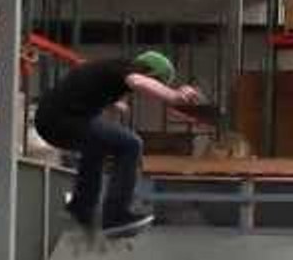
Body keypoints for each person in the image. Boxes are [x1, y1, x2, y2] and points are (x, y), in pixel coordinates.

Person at [34, 50, 201, 235]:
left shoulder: (110, 70)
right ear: (151, 73)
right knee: (130, 144)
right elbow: (138, 81)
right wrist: (173, 95)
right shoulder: (125, 67)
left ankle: (81, 209)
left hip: (51, 121)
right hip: (61, 120)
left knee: (97, 145)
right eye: (157, 83)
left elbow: (88, 85)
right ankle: (116, 216)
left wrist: (114, 104)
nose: (141, 94)